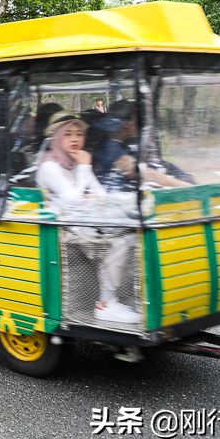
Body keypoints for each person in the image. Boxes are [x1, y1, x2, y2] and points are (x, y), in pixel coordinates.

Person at [35, 111, 140, 324]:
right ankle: (106, 303)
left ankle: (121, 296)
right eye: (68, 134)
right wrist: (84, 169)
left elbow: (101, 195)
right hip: (61, 230)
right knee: (117, 241)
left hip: (82, 223)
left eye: (79, 134)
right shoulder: (49, 166)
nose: (75, 139)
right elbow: (73, 202)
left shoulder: (75, 162)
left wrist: (84, 179)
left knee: (129, 233)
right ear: (56, 137)